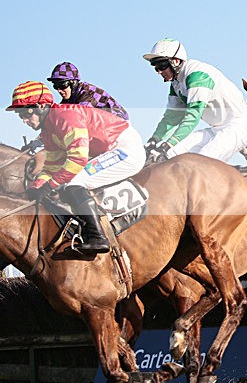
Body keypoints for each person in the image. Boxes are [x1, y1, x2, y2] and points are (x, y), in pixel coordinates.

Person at [6, 81, 146, 254]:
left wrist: (50, 186)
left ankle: (98, 237)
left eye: (27, 113)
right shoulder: (48, 130)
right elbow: (52, 165)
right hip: (109, 149)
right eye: (20, 115)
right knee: (65, 181)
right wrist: (35, 187)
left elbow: (78, 158)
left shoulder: (65, 116)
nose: (25, 120)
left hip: (125, 148)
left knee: (74, 181)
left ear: (42, 106)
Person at [142, 38, 247, 163]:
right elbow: (170, 118)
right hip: (215, 129)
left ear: (176, 61)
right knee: (168, 155)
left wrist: (167, 144)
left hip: (236, 128)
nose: (159, 71)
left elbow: (192, 117)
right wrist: (154, 140)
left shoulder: (197, 75)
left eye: (162, 66)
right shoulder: (176, 84)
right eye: (156, 67)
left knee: (199, 162)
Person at [47, 62, 129, 120]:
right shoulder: (70, 99)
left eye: (62, 85)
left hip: (120, 127)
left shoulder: (87, 93)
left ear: (74, 83)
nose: (59, 90)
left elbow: (79, 117)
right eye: (55, 86)